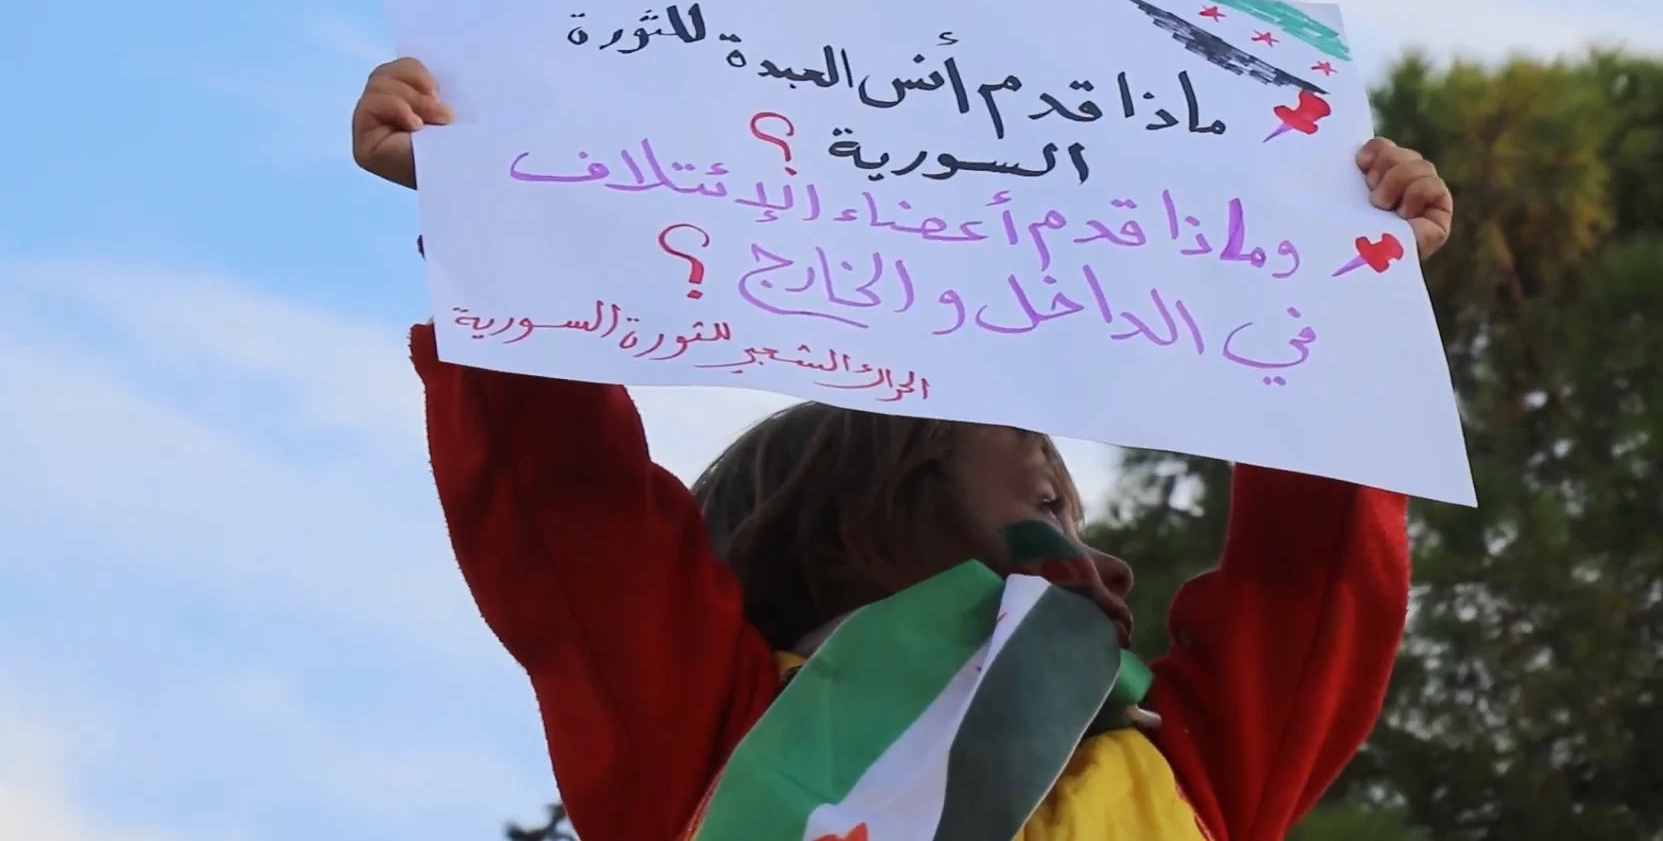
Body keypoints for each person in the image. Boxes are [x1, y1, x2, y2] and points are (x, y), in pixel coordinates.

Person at [352, 58, 1455, 841]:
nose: (1108, 563)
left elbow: (1313, 582)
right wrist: (489, 213)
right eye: (1044, 499)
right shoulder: (707, 729)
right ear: (856, 520)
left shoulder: (1180, 768)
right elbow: (570, 506)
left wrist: (1342, 291)